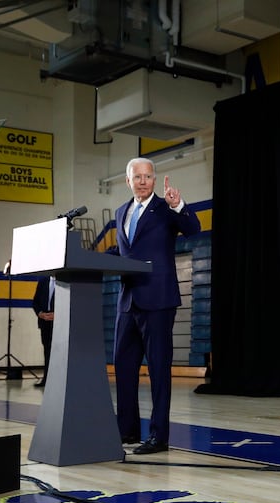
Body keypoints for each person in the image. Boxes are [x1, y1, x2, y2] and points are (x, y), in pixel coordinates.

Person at [107, 157, 201, 454]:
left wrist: (178, 205)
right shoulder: (121, 211)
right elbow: (124, 251)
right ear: (128, 180)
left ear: (154, 178)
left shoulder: (165, 208)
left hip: (158, 300)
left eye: (149, 176)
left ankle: (159, 436)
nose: (144, 181)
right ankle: (127, 431)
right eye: (138, 177)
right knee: (123, 368)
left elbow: (194, 229)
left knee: (159, 370)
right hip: (127, 301)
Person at [31, 275, 54, 387]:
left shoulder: (64, 281)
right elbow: (35, 302)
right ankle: (46, 379)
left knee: (58, 351)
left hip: (58, 322)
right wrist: (40, 313)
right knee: (47, 350)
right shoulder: (43, 281)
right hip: (44, 321)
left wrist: (58, 314)